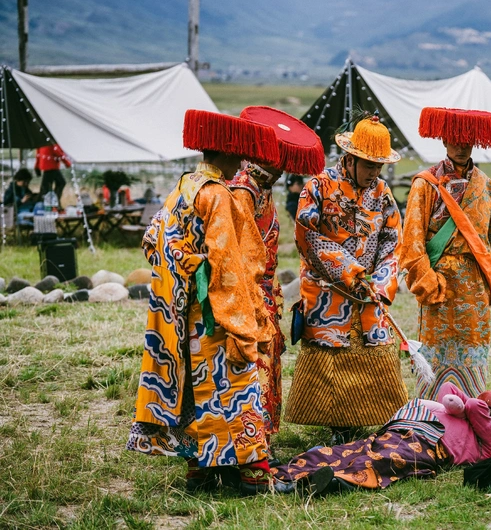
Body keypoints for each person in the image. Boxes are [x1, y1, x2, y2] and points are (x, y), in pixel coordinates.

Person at [126, 109, 281, 495]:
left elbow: (151, 241)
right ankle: (251, 474)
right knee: (236, 387)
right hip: (215, 312)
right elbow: (228, 267)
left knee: (197, 393)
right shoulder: (218, 195)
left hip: (182, 313)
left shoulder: (183, 187)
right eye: (238, 155)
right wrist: (245, 325)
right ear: (227, 153)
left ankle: (200, 472)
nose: (242, 162)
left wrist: (183, 271)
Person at [284, 114, 408, 445]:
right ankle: (337, 425)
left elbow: (393, 240)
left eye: (379, 166)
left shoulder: (382, 192)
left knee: (374, 351)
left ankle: (374, 417)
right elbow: (308, 236)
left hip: (369, 292)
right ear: (350, 158)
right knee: (333, 357)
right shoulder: (317, 187)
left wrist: (380, 281)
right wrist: (351, 272)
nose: (374, 172)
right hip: (328, 290)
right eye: (369, 164)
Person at [226, 105, 325, 459]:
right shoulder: (243, 191)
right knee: (252, 368)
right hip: (245, 295)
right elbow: (237, 254)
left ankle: (260, 441)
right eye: (277, 158)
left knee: (266, 366)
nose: (283, 167)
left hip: (264, 293)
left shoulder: (262, 188)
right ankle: (249, 445)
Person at [401, 107, 491, 400]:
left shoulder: (486, 186)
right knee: (435, 356)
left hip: (475, 289)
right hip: (438, 284)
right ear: (444, 141)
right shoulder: (425, 184)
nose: (461, 147)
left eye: (467, 141)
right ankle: (432, 415)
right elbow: (412, 242)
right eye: (455, 140)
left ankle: (472, 414)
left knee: (473, 355)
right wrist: (428, 283)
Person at [271, 383, 491, 494]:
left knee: (382, 460)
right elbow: (446, 389)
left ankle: (332, 481)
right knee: (356, 449)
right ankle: (287, 472)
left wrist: (466, 407)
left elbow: (476, 407)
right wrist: (461, 408)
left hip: (427, 446)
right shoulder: (464, 416)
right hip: (404, 428)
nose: (488, 414)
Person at [34, 144, 71, 209]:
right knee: (59, 183)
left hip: (46, 164)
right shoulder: (52, 141)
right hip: (52, 164)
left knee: (46, 187)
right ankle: (53, 203)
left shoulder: (42, 141)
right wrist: (67, 162)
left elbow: (38, 153)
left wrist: (37, 166)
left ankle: (49, 203)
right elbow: (57, 151)